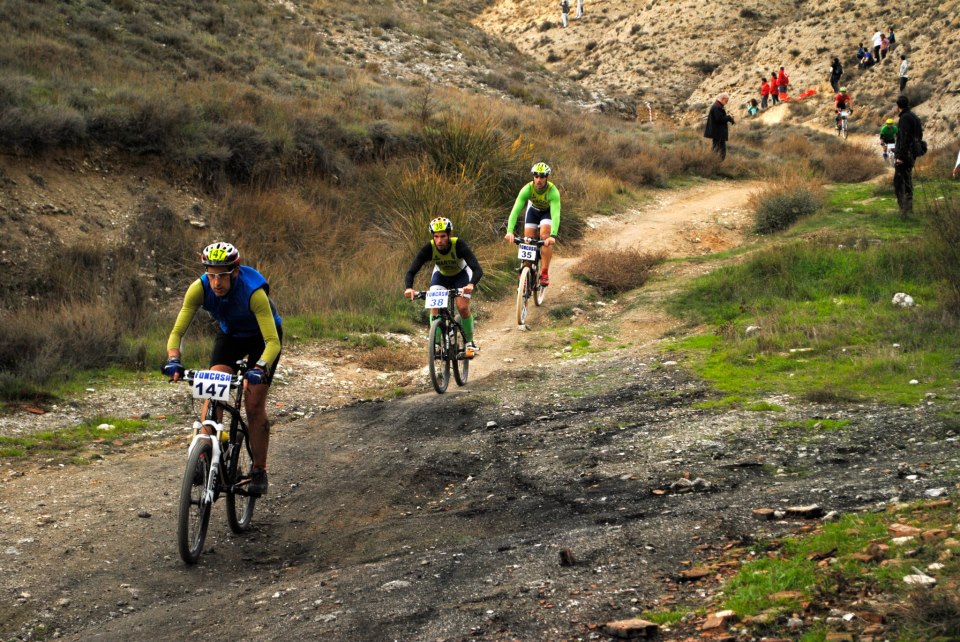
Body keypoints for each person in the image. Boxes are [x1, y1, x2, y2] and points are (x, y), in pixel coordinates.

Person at [162, 242, 283, 496]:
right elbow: (177, 332)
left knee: (253, 404)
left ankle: (259, 469)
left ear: (235, 272)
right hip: (230, 336)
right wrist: (173, 359)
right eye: (211, 275)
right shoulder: (199, 288)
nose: (216, 283)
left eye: (223, 276)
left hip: (262, 339)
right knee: (213, 389)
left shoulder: (253, 292)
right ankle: (206, 453)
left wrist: (259, 367)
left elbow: (273, 342)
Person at [404, 217, 483, 354]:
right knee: (434, 307)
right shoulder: (429, 248)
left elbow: (477, 269)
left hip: (461, 275)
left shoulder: (458, 245)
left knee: (462, 307)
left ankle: (470, 342)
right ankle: (436, 344)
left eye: (443, 236)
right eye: (436, 237)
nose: (439, 240)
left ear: (449, 235)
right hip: (441, 276)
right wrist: (409, 288)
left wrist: (471, 284)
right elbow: (411, 271)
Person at [505, 162, 561, 285]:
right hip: (533, 211)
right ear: (533, 177)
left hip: (547, 213)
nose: (539, 180)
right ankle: (527, 271)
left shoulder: (553, 191)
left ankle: (544, 273)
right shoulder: (527, 189)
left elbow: (556, 215)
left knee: (545, 237)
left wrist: (553, 235)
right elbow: (515, 211)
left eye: (542, 176)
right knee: (528, 240)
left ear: (547, 177)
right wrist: (509, 231)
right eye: (536, 176)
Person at [894, 95, 923, 217]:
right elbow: (919, 136)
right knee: (907, 179)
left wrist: (900, 156)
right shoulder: (914, 117)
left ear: (898, 106)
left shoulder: (905, 118)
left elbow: (904, 138)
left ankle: (904, 209)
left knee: (899, 182)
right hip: (912, 153)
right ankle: (908, 208)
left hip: (905, 155)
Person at [703, 93, 735, 161]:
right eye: (726, 101)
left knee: (717, 149)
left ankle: (715, 162)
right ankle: (716, 163)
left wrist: (729, 118)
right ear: (723, 99)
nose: (726, 103)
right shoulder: (717, 107)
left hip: (718, 133)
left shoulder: (717, 106)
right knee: (719, 150)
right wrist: (729, 117)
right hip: (718, 133)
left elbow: (720, 118)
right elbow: (719, 119)